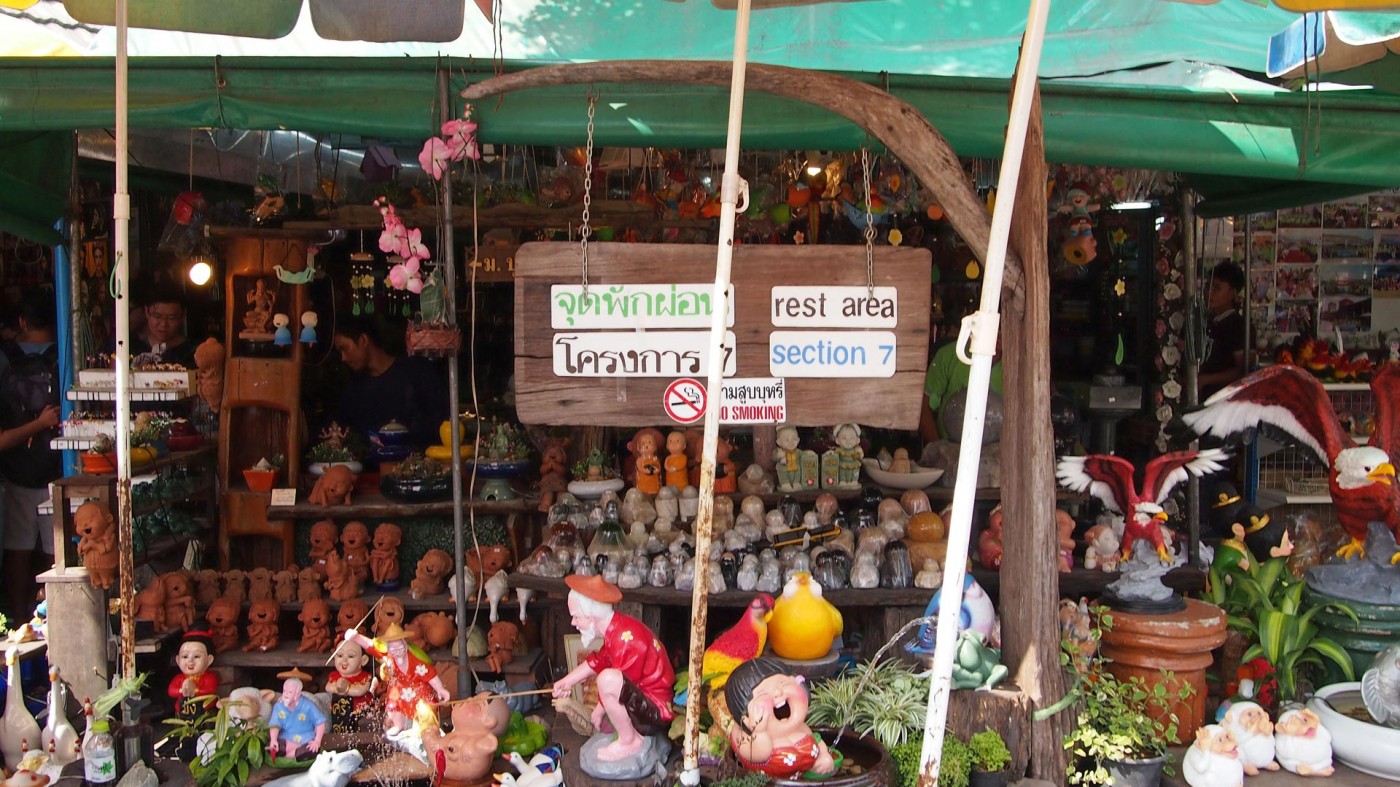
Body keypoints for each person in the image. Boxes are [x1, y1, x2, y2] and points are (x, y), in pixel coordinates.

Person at [551, 574, 674, 762]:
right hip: (643, 702)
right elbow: (599, 660)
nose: (573, 623)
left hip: (655, 710)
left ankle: (629, 741)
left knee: (607, 679)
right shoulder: (616, 629)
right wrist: (567, 681)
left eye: (576, 617)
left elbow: (621, 685)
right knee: (607, 677)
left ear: (591, 617)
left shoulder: (626, 639)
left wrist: (599, 711)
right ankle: (627, 736)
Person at [0, 294, 63, 620]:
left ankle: (21, 615)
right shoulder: (63, 353)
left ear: (21, 322)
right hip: (58, 468)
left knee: (18, 548)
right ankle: (54, 614)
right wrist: (41, 424)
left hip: (16, 473)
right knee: (59, 549)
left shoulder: (4, 358)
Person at [331, 316, 449, 449]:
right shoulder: (354, 391)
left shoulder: (416, 371)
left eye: (344, 348)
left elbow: (441, 420)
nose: (343, 358)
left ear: (363, 340)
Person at [343, 622, 450, 736]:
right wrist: (356, 637)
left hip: (418, 687)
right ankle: (398, 725)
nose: (397, 651)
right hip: (399, 687)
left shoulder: (415, 660)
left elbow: (430, 674)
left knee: (425, 708)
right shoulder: (388, 657)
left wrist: (440, 689)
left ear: (405, 645)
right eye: (393, 648)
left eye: (399, 647)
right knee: (392, 704)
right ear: (388, 649)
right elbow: (371, 646)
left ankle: (425, 727)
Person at [919, 338, 1003, 444]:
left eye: (1002, 326)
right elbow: (923, 407)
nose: (999, 332)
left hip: (998, 452)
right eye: (996, 324)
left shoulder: (1018, 365)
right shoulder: (949, 355)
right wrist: (939, 448)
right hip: (951, 449)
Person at [1199, 261, 1247, 399]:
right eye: (1208, 286)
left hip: (1224, 400)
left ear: (1232, 293)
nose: (1209, 293)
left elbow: (1242, 371)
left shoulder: (1239, 326)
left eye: (1217, 288)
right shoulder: (1203, 321)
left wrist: (1206, 379)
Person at [267, 672, 327, 760]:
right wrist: (273, 739)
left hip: (305, 739)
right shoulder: (279, 706)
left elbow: (320, 722)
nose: (286, 694)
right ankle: (292, 752)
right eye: (284, 691)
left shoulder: (308, 706)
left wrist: (317, 741)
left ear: (297, 694)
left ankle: (293, 754)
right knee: (273, 747)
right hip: (286, 738)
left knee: (311, 750)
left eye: (290, 692)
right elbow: (274, 724)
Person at [134, 288, 197, 369]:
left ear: (183, 315)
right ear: (146, 312)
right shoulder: (131, 348)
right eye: (157, 316)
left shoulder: (193, 353)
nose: (164, 324)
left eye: (171, 318)